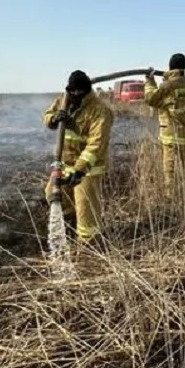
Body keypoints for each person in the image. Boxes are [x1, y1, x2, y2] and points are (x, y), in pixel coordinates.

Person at [42, 70, 114, 248]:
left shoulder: (100, 111)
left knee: (86, 211)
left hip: (88, 169)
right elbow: (47, 115)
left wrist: (80, 169)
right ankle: (68, 229)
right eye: (72, 92)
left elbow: (95, 146)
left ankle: (88, 247)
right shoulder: (63, 100)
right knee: (53, 193)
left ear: (87, 91)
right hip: (65, 163)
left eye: (79, 93)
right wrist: (53, 119)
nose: (75, 95)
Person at [145, 53, 185, 191]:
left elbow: (151, 99)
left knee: (169, 167)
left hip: (171, 134)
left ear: (170, 66)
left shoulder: (168, 85)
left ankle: (170, 193)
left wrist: (150, 81)